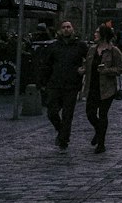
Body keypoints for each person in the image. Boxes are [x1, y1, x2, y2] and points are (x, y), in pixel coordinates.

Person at [37, 19, 88, 152]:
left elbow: (89, 60)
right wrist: (43, 82)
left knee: (67, 114)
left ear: (72, 29)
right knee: (52, 112)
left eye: (68, 27)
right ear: (60, 30)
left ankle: (64, 140)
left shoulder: (80, 46)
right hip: (55, 84)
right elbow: (46, 65)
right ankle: (61, 132)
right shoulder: (54, 46)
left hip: (72, 85)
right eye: (64, 27)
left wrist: (83, 69)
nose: (66, 29)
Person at [82, 24, 122, 154]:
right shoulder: (91, 49)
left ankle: (101, 144)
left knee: (102, 115)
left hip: (107, 89)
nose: (94, 34)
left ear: (104, 35)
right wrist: (82, 70)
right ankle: (98, 130)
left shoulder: (114, 51)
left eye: (97, 32)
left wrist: (106, 71)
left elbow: (119, 69)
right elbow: (87, 65)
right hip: (92, 86)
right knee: (90, 113)